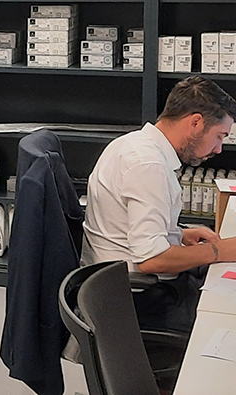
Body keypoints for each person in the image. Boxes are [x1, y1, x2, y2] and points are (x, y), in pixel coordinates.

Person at [82, 75, 236, 332]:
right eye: (219, 136)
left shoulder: (132, 144)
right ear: (196, 122)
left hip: (115, 282)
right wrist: (223, 252)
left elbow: (126, 225)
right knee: (224, 322)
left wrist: (180, 233)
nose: (219, 149)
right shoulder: (148, 165)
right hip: (137, 299)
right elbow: (152, 259)